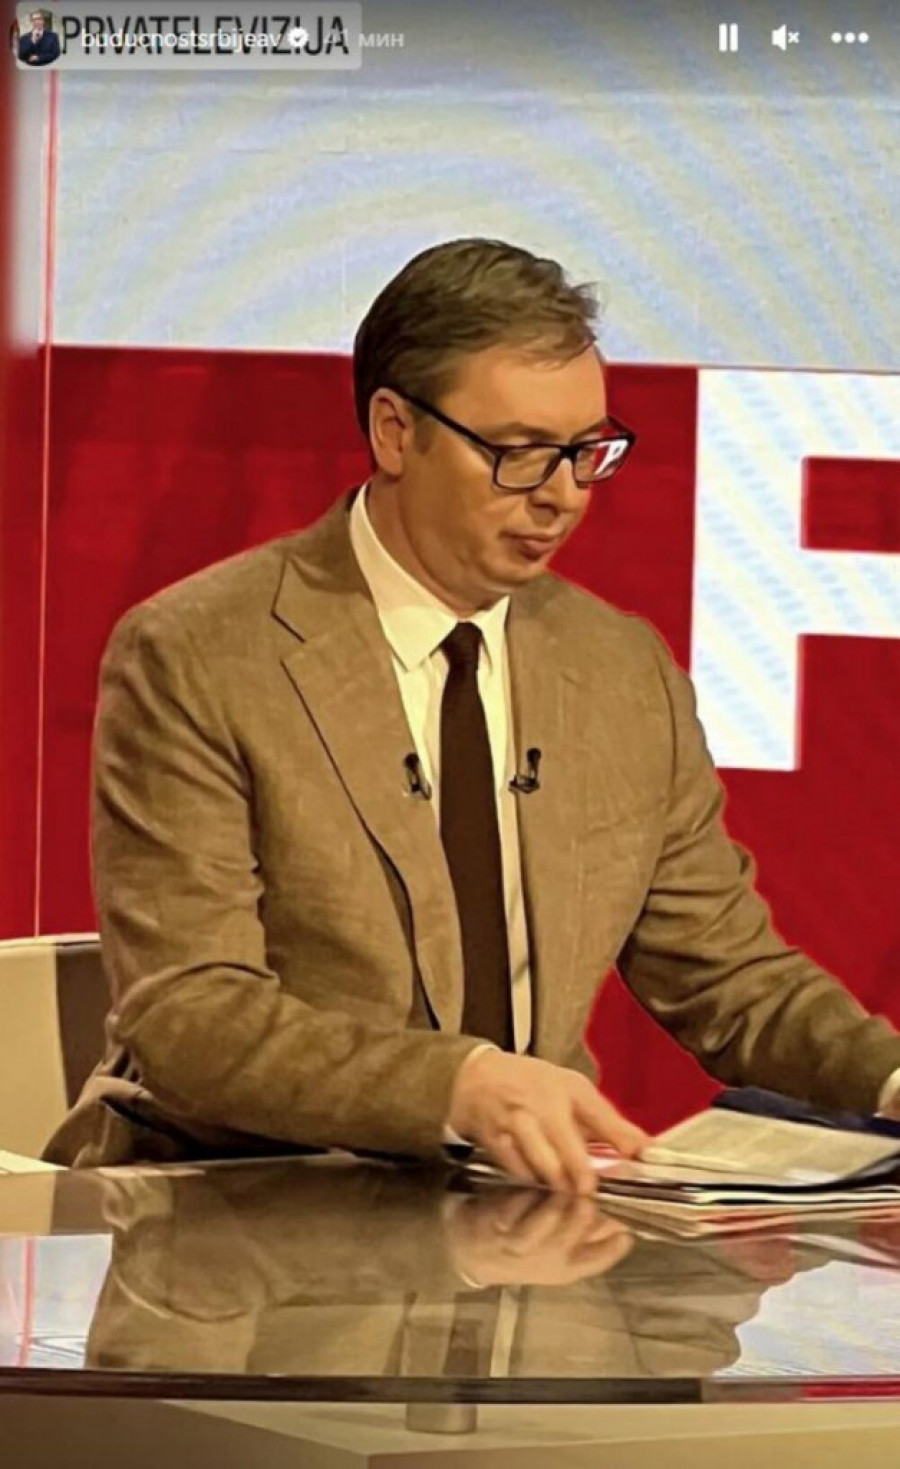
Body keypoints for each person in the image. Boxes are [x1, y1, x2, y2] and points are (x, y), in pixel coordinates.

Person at [44, 238, 900, 1189]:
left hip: (525, 1205)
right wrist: (458, 1087)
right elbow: (191, 1020)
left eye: (585, 452)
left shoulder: (621, 673)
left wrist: (889, 1080)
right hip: (246, 1195)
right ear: (394, 432)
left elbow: (729, 976)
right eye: (519, 454)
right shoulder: (201, 654)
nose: (562, 496)